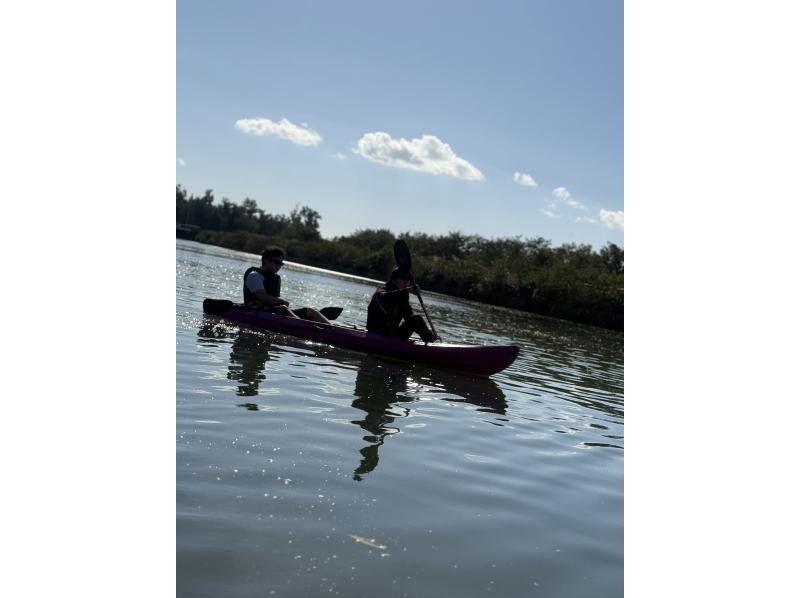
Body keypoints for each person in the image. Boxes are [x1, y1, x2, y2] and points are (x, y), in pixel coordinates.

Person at [243, 247, 330, 323]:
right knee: (283, 309)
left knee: (311, 311)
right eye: (276, 262)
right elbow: (263, 297)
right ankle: (304, 327)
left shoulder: (274, 278)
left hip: (270, 312)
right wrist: (281, 302)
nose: (279, 266)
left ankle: (331, 329)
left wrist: (281, 303)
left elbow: (273, 303)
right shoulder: (254, 275)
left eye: (281, 263)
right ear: (266, 260)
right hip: (253, 311)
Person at [366, 268, 434, 342]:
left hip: (391, 334)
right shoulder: (382, 291)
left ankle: (431, 340)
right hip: (377, 332)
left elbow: (409, 317)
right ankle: (431, 343)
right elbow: (384, 296)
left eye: (407, 280)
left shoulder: (402, 295)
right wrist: (407, 290)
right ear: (393, 280)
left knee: (416, 319)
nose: (406, 282)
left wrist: (427, 332)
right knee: (417, 319)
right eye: (402, 279)